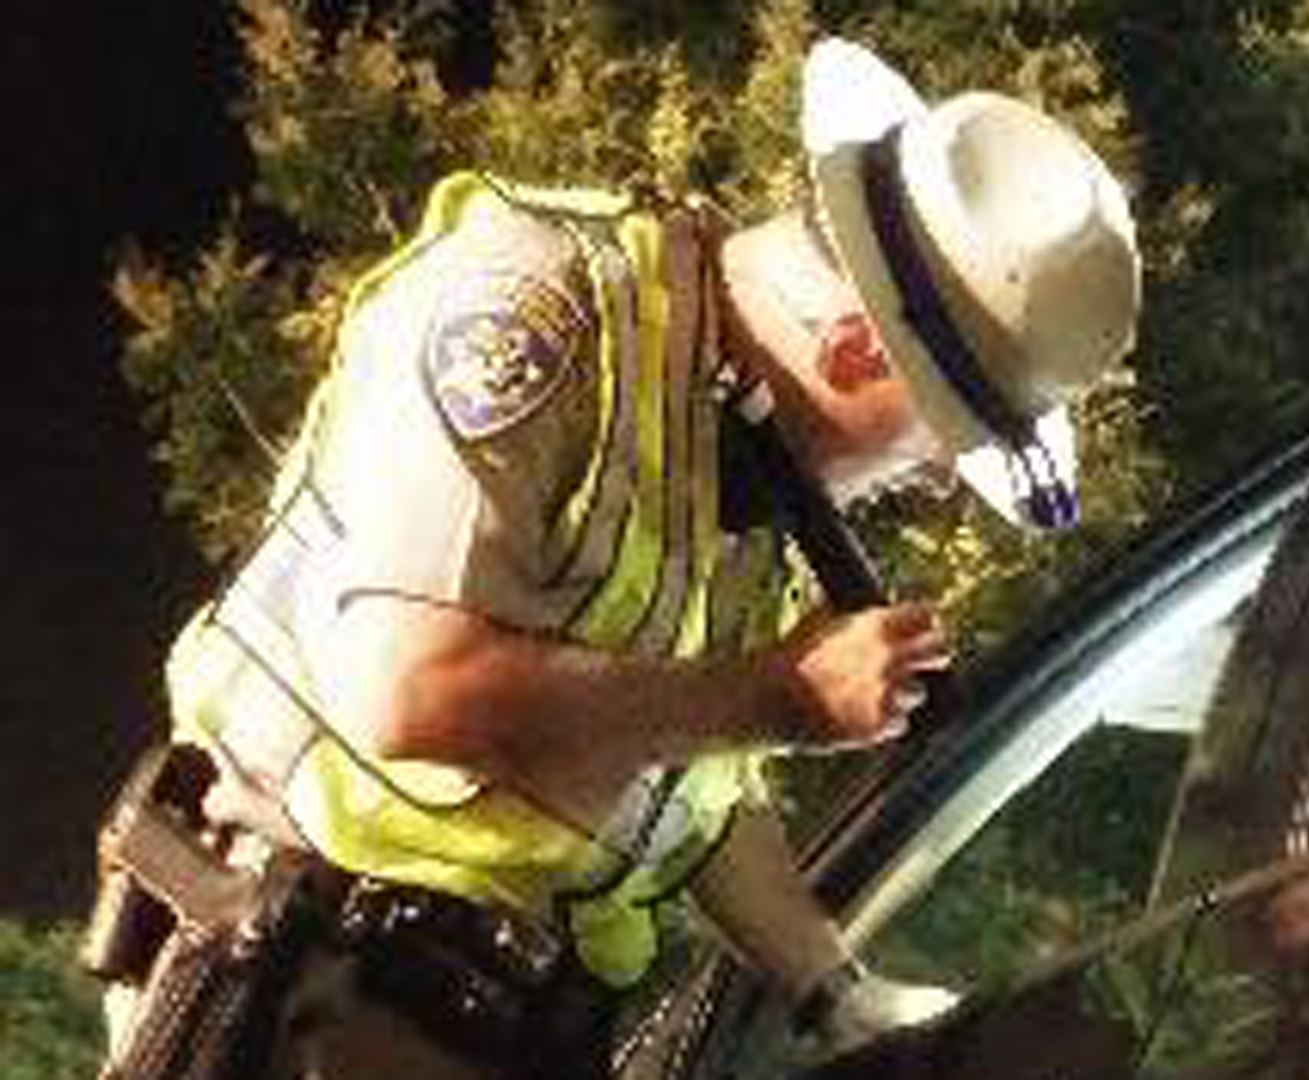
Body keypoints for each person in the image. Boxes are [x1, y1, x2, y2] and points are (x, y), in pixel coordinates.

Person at [92, 37, 1140, 1080]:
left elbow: (690, 800)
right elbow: (409, 688)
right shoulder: (536, 308)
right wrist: (771, 698)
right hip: (300, 989)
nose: (940, 477)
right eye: (941, 435)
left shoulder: (743, 475)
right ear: (858, 351)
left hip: (483, 1019)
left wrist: (840, 995)